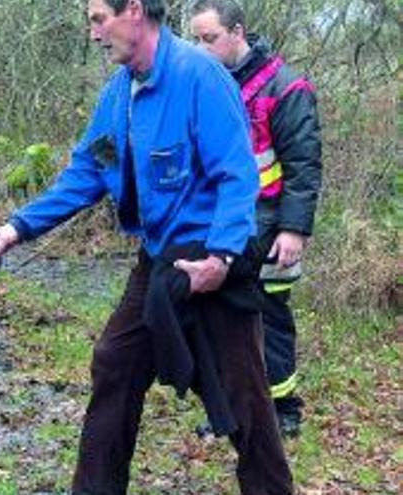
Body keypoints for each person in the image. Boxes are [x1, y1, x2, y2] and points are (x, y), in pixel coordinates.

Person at [0, 0, 294, 493]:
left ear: (135, 11)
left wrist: (222, 258)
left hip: (211, 257)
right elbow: (87, 173)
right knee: (115, 363)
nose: (94, 33)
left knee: (244, 395)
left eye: (99, 18)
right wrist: (17, 228)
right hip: (158, 261)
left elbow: (236, 173)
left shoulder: (199, 77)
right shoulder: (117, 97)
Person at [189, 0, 323, 438]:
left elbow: (304, 166)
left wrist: (293, 229)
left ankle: (283, 408)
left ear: (238, 32)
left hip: (271, 226)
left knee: (270, 317)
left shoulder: (286, 87)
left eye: (209, 38)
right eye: (196, 39)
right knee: (218, 317)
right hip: (221, 223)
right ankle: (226, 407)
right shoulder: (207, 84)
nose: (202, 49)